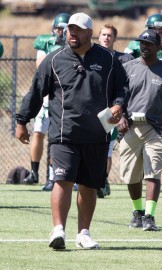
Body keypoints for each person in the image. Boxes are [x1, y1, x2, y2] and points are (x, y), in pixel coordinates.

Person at [16, 12, 128, 250]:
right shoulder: (54, 59)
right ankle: (58, 230)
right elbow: (36, 91)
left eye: (78, 30)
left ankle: (83, 234)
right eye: (70, 29)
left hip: (97, 135)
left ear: (90, 32)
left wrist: (118, 104)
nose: (72, 33)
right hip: (64, 135)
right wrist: (21, 120)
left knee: (89, 185)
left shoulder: (108, 59)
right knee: (62, 180)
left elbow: (123, 87)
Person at [118, 29, 162, 231]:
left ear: (159, 46)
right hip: (130, 127)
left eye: (149, 43)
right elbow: (116, 98)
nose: (144, 46)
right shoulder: (127, 68)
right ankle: (137, 211)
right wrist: (120, 117)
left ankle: (149, 216)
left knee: (152, 173)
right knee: (130, 175)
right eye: (142, 43)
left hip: (157, 129)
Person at [22, 13, 71, 192]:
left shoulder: (74, 46)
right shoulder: (45, 42)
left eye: (64, 29)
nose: (61, 32)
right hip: (46, 96)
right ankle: (34, 172)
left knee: (58, 137)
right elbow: (41, 68)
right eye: (58, 28)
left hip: (65, 98)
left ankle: (54, 175)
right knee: (38, 132)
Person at [97, 23, 134, 198]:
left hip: (113, 110)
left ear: (114, 38)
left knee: (107, 148)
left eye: (109, 35)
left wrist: (122, 112)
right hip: (93, 109)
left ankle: (102, 181)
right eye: (103, 35)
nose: (106, 38)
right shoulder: (92, 57)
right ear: (98, 37)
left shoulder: (124, 59)